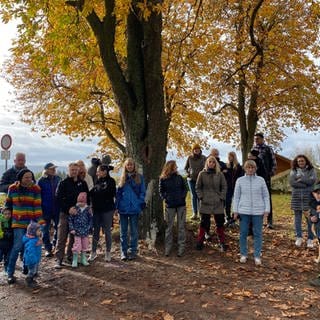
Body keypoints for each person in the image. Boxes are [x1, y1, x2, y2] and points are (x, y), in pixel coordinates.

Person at [4, 169, 44, 284]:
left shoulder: (36, 189)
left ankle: (29, 270)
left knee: (30, 247)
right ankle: (10, 273)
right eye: (26, 177)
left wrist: (40, 222)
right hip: (17, 222)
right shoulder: (13, 188)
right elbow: (8, 204)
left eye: (30, 177)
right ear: (20, 178)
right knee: (17, 246)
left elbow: (37, 207)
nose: (29, 179)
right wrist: (5, 217)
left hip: (31, 224)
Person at [233, 160, 270, 266]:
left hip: (258, 211)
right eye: (248, 167)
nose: (250, 169)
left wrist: (266, 210)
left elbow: (266, 196)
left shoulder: (261, 180)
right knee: (243, 233)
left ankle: (257, 255)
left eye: (252, 167)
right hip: (243, 211)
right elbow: (236, 197)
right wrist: (235, 211)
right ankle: (243, 254)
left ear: (255, 168)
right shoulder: (240, 180)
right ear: (245, 168)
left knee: (258, 234)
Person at [55, 162, 89, 269]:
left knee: (75, 237)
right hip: (65, 213)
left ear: (78, 170)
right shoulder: (63, 183)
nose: (74, 171)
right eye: (72, 170)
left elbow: (86, 197)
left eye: (75, 169)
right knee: (62, 236)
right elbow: (58, 198)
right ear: (68, 170)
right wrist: (68, 209)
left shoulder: (82, 183)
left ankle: (70, 256)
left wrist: (83, 208)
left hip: (78, 215)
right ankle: (59, 259)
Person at [115, 158, 146, 261]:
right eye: (127, 165)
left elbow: (143, 192)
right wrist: (116, 206)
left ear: (134, 166)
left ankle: (133, 251)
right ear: (125, 166)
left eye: (131, 165)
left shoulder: (139, 178)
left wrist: (139, 202)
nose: (129, 166)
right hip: (123, 208)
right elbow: (118, 194)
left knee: (134, 231)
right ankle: (123, 252)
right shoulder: (122, 178)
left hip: (134, 208)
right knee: (123, 231)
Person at [195, 156, 227, 252]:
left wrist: (221, 197)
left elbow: (224, 186)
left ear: (215, 163)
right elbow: (198, 187)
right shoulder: (202, 174)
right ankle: (200, 241)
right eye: (210, 162)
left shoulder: (220, 174)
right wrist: (201, 197)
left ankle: (222, 242)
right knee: (204, 222)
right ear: (207, 163)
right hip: (205, 202)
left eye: (213, 162)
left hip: (218, 202)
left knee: (220, 223)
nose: (211, 163)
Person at [159, 160, 187, 257]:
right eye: (175, 166)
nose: (177, 168)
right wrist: (166, 198)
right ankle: (168, 248)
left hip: (181, 205)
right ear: (171, 167)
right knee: (169, 228)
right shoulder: (163, 179)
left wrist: (182, 196)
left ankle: (181, 247)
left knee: (181, 227)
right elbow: (161, 191)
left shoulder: (180, 178)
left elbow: (185, 188)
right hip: (169, 206)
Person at [89, 164, 116, 262]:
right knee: (95, 231)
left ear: (104, 171)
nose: (97, 173)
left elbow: (109, 193)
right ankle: (93, 252)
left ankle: (108, 253)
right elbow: (92, 194)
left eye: (98, 171)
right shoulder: (97, 181)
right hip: (96, 210)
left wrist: (98, 192)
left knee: (107, 231)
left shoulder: (111, 181)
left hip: (107, 210)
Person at [289, 154, 317, 248]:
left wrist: (300, 179)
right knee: (297, 218)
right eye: (299, 161)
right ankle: (299, 237)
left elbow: (312, 181)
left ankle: (310, 238)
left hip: (308, 196)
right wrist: (305, 184)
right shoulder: (293, 170)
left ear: (306, 161)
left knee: (309, 218)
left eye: (302, 161)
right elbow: (292, 183)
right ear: (296, 162)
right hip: (296, 196)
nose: (300, 162)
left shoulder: (311, 170)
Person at [253, 133, 277, 229]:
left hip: (265, 177)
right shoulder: (253, 150)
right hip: (255, 177)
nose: (256, 140)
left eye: (258, 139)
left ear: (262, 139)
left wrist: (270, 173)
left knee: (267, 198)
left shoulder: (268, 149)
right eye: (255, 139)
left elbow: (274, 162)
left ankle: (269, 221)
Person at [37, 162, 61, 257]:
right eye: (51, 168)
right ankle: (48, 248)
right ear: (46, 170)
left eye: (54, 168)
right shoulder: (41, 181)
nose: (54, 170)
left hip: (57, 208)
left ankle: (55, 245)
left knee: (58, 228)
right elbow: (37, 196)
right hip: (44, 209)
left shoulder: (58, 179)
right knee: (45, 230)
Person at [68, 192, 92, 268]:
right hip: (77, 231)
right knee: (77, 245)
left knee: (85, 244)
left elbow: (91, 219)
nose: (81, 204)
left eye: (82, 202)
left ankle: (83, 259)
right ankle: (75, 259)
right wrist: (72, 228)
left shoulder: (88, 209)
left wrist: (89, 227)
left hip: (85, 231)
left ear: (85, 202)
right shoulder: (75, 209)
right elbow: (70, 219)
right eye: (79, 202)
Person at [184, 143, 206, 220]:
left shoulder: (203, 158)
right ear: (193, 150)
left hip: (201, 180)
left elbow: (207, 167)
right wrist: (188, 173)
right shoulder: (190, 158)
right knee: (194, 196)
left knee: (200, 196)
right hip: (191, 180)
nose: (196, 150)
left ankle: (201, 213)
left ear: (200, 150)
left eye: (198, 149)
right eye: (195, 149)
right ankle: (194, 213)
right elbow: (185, 168)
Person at [224, 152, 243, 226]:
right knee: (227, 203)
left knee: (236, 203)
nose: (229, 158)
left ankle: (233, 218)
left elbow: (240, 177)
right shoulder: (226, 166)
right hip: (228, 187)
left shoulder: (238, 166)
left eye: (231, 156)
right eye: (228, 156)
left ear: (234, 157)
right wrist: (224, 172)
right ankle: (227, 217)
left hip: (236, 188)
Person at [22, 221, 42, 288]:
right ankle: (29, 280)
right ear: (33, 232)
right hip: (32, 260)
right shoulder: (31, 241)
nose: (40, 232)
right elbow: (30, 251)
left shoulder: (35, 238)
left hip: (35, 258)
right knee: (32, 271)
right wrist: (33, 259)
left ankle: (32, 279)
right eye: (39, 231)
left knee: (34, 270)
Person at [308, 183, 320, 287]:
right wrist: (312, 218)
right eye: (317, 193)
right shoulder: (313, 204)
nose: (319, 195)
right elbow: (311, 215)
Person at [0, 208, 13, 275]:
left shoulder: (12, 222)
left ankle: (7, 271)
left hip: (9, 245)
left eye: (9, 214)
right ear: (2, 215)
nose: (7, 215)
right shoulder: (1, 222)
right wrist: (4, 234)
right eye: (5, 214)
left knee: (8, 259)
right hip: (1, 244)